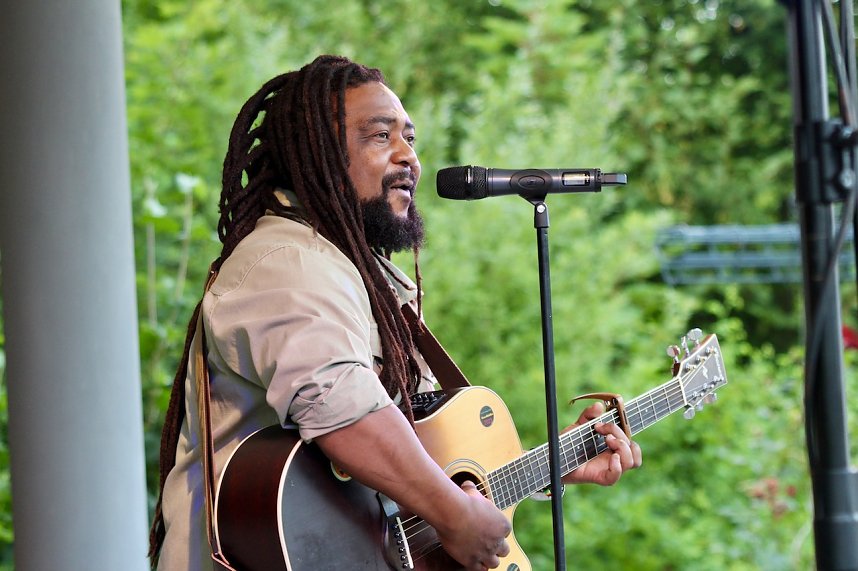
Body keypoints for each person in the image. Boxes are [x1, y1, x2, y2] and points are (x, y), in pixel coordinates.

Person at [148, 54, 642, 571]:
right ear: (316, 155)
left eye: (410, 138)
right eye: (380, 136)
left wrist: (554, 465)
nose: (409, 157)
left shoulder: (346, 270)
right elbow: (344, 414)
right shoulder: (287, 261)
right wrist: (453, 512)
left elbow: (404, 466)